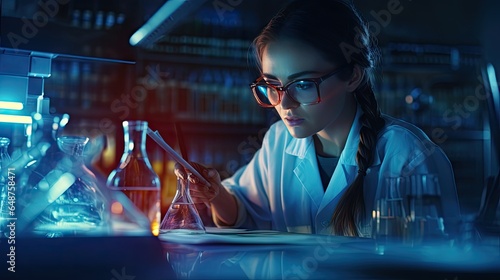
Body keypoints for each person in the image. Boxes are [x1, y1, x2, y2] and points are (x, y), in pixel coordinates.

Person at [175, 0, 462, 237]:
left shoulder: (408, 157)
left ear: (352, 75)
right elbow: (247, 212)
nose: (284, 104)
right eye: (272, 86)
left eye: (302, 84)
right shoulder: (279, 142)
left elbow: (439, 262)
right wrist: (214, 194)